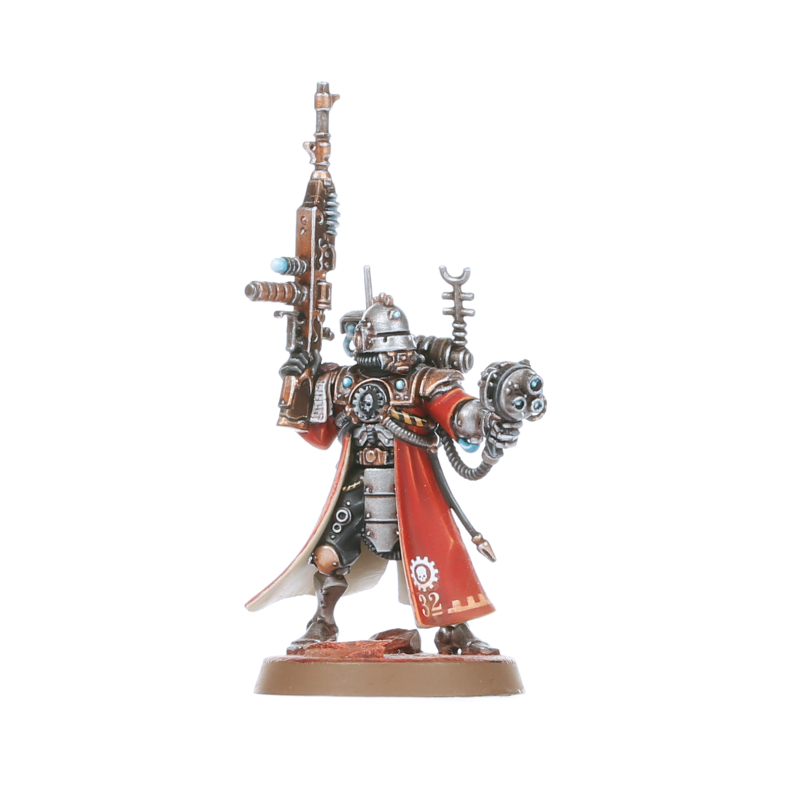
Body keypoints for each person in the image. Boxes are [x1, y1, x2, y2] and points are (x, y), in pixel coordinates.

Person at [245, 292, 525, 655]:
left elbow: (457, 412)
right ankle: (322, 622)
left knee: (438, 552)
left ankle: (454, 629)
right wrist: (297, 380)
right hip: (357, 482)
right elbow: (319, 433)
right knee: (329, 556)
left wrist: (489, 417)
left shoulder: (423, 380)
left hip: (412, 486)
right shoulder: (342, 381)